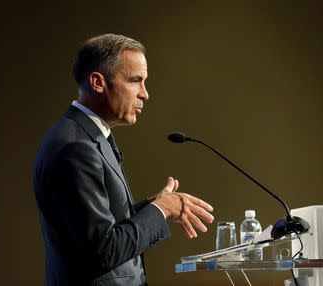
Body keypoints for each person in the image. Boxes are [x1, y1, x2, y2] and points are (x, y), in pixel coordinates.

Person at [32, 33, 214, 286]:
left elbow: (98, 227)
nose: (145, 94)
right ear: (98, 82)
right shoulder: (75, 147)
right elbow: (102, 250)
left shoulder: (88, 135)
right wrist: (162, 210)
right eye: (135, 81)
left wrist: (154, 208)